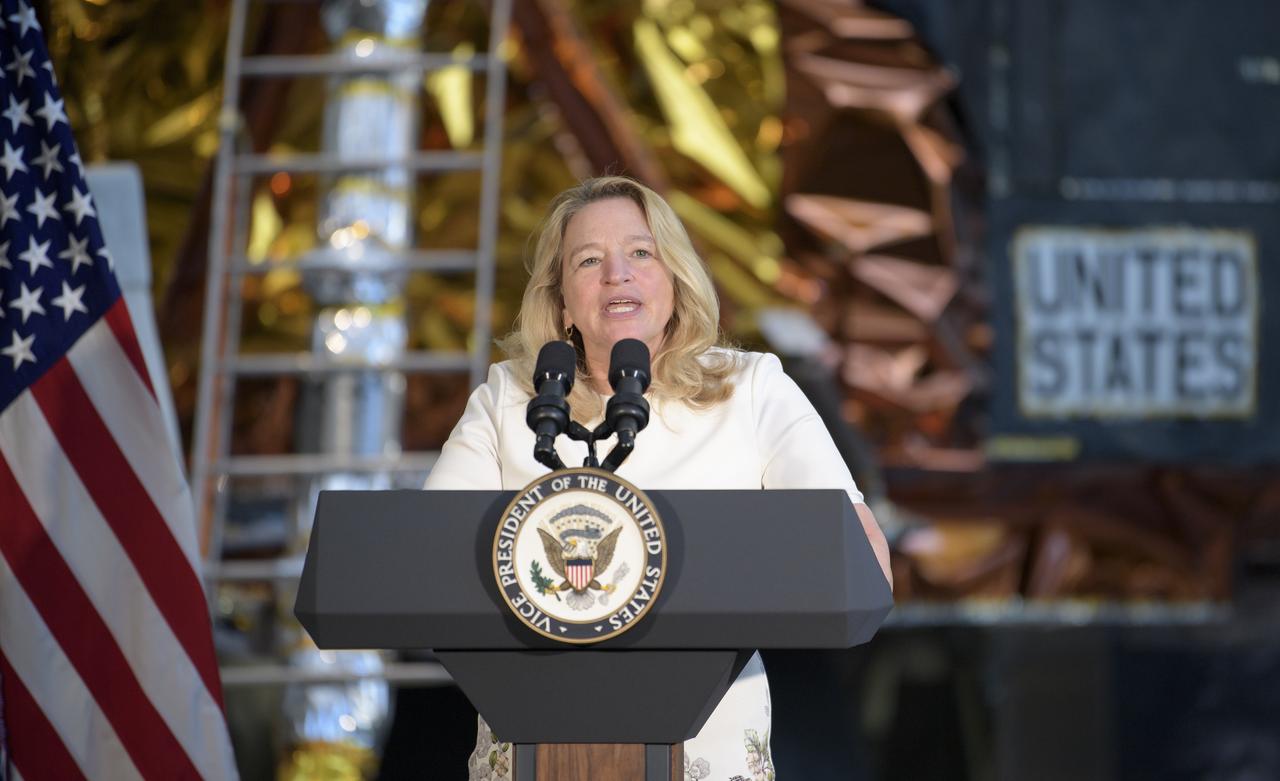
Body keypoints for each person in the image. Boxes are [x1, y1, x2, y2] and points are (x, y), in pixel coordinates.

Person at [425, 175, 892, 781]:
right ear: (563, 300)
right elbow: (429, 564)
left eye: (641, 253)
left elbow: (862, 559)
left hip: (705, 753)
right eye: (588, 259)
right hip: (532, 753)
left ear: (675, 278)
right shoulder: (509, 399)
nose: (616, 272)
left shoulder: (750, 389)